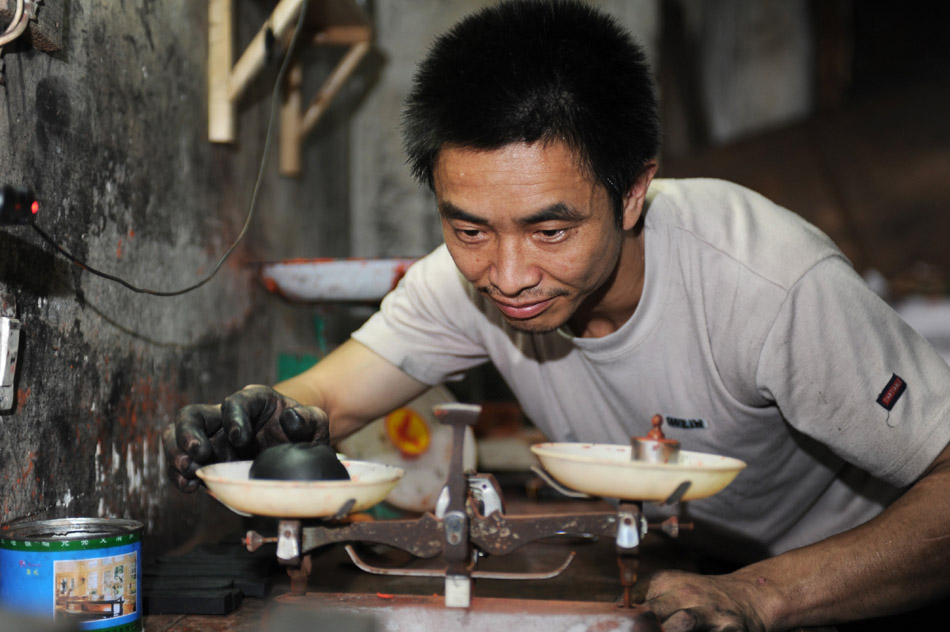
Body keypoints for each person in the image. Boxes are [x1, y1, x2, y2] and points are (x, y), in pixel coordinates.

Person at [163, 1, 950, 630]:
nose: (508, 277)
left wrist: (764, 595)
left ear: (634, 190)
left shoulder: (769, 283)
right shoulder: (463, 282)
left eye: (551, 229)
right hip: (703, 581)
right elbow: (328, 404)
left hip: (854, 581)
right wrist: (262, 425)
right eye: (468, 227)